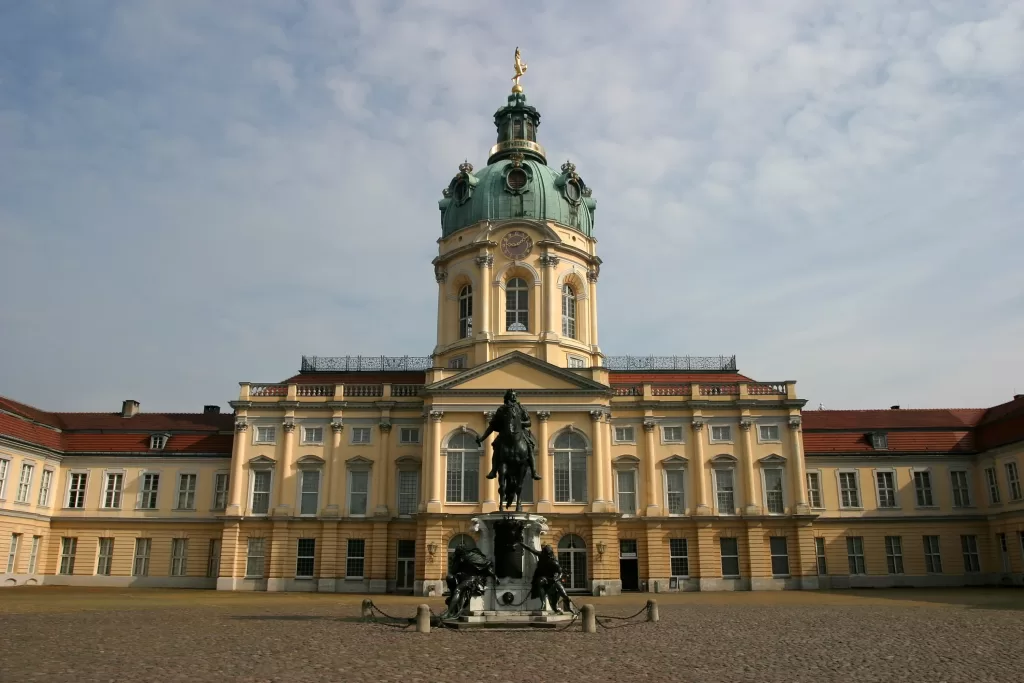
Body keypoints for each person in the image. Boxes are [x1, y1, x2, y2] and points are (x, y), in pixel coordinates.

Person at [478, 389, 541, 481]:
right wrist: (482, 438)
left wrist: (519, 423)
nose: (514, 397)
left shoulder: (521, 408)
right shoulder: (502, 409)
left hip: (521, 432)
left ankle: (534, 471)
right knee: (496, 447)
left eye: (515, 395)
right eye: (512, 395)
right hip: (504, 433)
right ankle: (493, 470)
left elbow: (528, 423)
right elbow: (492, 425)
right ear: (507, 397)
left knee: (530, 446)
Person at [519, 542, 573, 614]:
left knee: (564, 594)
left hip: (553, 578)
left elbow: (560, 573)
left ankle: (568, 608)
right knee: (539, 581)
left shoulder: (554, 561)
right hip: (544, 577)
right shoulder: (541, 555)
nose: (547, 555)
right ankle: (543, 602)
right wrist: (521, 544)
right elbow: (530, 549)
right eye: (546, 553)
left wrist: (555, 579)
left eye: (548, 554)